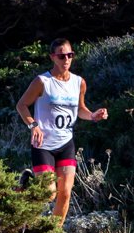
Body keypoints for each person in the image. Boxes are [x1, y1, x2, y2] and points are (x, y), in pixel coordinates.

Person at [14, 37, 107, 222]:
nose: (66, 60)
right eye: (61, 56)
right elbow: (21, 105)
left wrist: (93, 115)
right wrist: (34, 126)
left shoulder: (79, 82)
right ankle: (27, 182)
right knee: (49, 195)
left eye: (70, 55)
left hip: (66, 144)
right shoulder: (42, 81)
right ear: (52, 57)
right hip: (43, 145)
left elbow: (80, 109)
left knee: (65, 193)